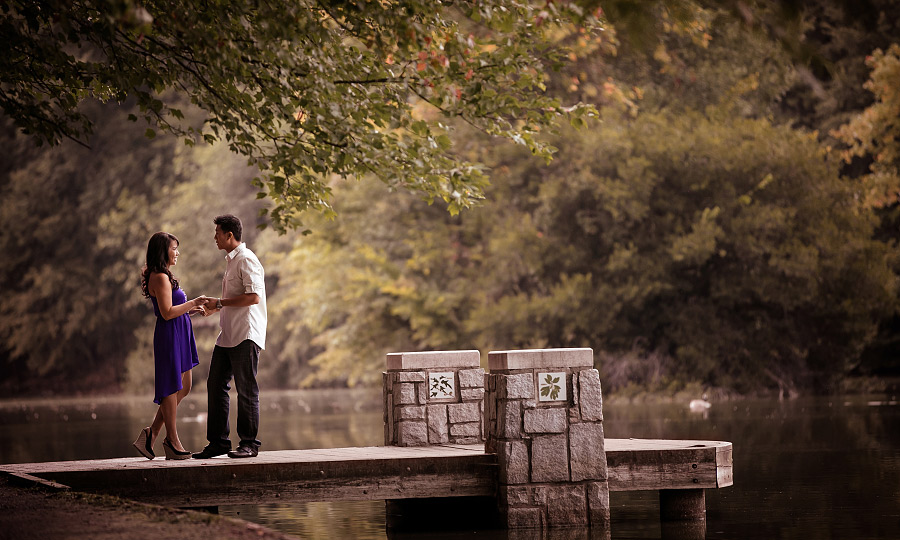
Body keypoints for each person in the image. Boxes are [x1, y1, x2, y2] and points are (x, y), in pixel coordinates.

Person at [193, 214, 267, 459]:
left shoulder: (247, 259)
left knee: (246, 389)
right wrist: (216, 306)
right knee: (215, 385)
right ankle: (219, 443)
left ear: (229, 235)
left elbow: (253, 297)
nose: (214, 237)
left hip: (246, 334)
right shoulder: (232, 261)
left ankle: (249, 444)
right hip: (228, 335)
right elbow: (234, 299)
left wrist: (220, 302)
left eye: (217, 233)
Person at [132, 232, 206, 460]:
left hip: (179, 332)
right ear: (163, 250)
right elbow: (166, 313)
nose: (178, 253)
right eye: (174, 248)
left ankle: (152, 433)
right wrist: (193, 302)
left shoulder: (164, 276)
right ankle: (171, 441)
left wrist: (191, 309)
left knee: (184, 386)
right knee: (172, 387)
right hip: (169, 335)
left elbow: (174, 307)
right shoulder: (159, 277)